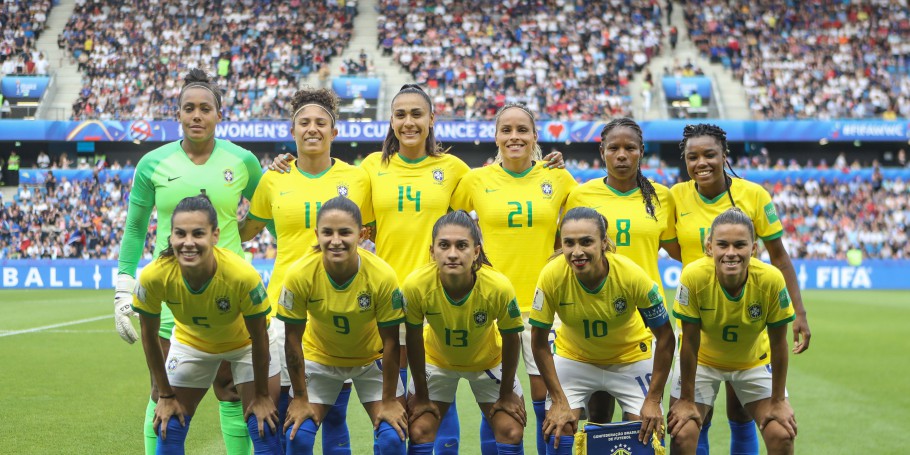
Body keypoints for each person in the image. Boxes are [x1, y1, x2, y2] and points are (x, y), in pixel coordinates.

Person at [112, 68, 264, 455]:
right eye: (189, 108)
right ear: (177, 114)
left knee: (231, 392)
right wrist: (123, 285)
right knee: (161, 390)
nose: (197, 115)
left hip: (230, 290)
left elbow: (269, 213)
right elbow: (134, 229)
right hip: (173, 294)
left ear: (219, 114)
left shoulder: (243, 160)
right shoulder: (152, 163)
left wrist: (237, 236)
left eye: (205, 109)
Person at [241, 87, 369, 452]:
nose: (312, 129)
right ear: (293, 130)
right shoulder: (273, 178)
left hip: (337, 304)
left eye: (321, 123)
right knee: (281, 406)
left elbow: (373, 230)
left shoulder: (358, 179)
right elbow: (246, 232)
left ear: (335, 132)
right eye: (304, 123)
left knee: (333, 414)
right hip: (283, 305)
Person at [669, 123, 810, 455]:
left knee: (740, 410)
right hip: (699, 312)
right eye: (693, 157)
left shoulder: (754, 195)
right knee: (690, 423)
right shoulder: (675, 195)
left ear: (724, 155)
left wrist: (800, 313)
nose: (701, 162)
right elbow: (670, 245)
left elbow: (779, 256)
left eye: (709, 155)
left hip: (746, 317)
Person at [450, 102, 576, 455]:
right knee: (496, 403)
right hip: (491, 306)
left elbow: (579, 227)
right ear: (496, 136)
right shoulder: (475, 180)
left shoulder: (559, 178)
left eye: (522, 130)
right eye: (506, 130)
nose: (514, 136)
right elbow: (446, 223)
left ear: (535, 136)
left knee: (546, 399)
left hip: (544, 308)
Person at [132, 194, 282, 454]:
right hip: (192, 343)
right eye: (180, 234)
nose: (188, 243)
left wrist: (261, 395)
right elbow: (149, 335)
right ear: (171, 237)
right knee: (170, 426)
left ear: (215, 235)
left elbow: (259, 337)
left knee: (264, 427)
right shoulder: (153, 276)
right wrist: (165, 395)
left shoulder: (242, 275)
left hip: (246, 344)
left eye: (198, 234)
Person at [530, 207, 674, 454]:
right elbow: (539, 343)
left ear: (604, 242)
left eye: (586, 242)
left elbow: (666, 338)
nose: (577, 252)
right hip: (575, 358)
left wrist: (653, 400)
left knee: (649, 428)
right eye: (569, 243)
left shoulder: (631, 275)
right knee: (558, 426)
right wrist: (559, 401)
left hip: (630, 358)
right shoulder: (551, 276)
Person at [565, 118, 679, 423]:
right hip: (594, 313)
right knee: (598, 416)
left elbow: (682, 251)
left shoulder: (661, 197)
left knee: (639, 424)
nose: (622, 155)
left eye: (630, 147)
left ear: (641, 151)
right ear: (602, 151)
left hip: (644, 319)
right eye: (613, 147)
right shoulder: (581, 196)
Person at [278, 197, 407, 455]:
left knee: (393, 438)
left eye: (345, 232)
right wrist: (301, 398)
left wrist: (390, 400)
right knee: (298, 437)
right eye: (327, 232)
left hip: (371, 360)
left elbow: (392, 342)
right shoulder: (299, 274)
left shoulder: (382, 275)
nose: (335, 240)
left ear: (361, 234)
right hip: (320, 359)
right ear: (317, 234)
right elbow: (292, 340)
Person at [667, 208, 797, 454]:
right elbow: (690, 343)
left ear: (754, 249)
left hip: (753, 362)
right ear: (709, 247)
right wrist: (685, 400)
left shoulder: (771, 279)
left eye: (740, 245)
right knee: (682, 433)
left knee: (782, 434)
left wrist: (779, 401)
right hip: (703, 361)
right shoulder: (693, 276)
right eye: (722, 244)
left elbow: (779, 344)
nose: (731, 253)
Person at [403, 211, 526, 455]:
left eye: (462, 246)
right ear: (432, 251)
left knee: (511, 431)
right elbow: (413, 338)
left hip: (487, 363)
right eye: (444, 245)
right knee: (418, 430)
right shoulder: (416, 285)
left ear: (476, 251)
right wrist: (422, 395)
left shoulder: (497, 287)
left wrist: (506, 394)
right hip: (437, 362)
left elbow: (512, 338)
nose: (452, 254)